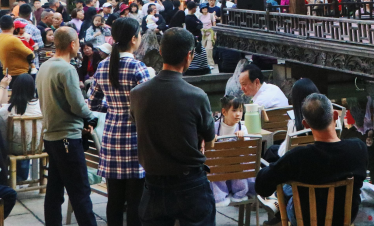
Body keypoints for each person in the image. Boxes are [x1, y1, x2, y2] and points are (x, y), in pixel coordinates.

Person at [130, 28, 216, 226]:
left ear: (161, 52)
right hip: (190, 183)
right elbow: (210, 141)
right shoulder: (197, 96)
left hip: (153, 183)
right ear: (189, 56)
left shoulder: (138, 94)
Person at [255, 94, 368, 226]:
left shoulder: (297, 157)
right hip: (343, 218)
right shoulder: (358, 148)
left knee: (288, 187)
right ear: (335, 116)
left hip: (306, 220)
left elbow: (261, 187)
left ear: (306, 124)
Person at [89, 17, 150, 226]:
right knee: (135, 201)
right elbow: (148, 106)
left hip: (111, 138)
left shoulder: (102, 66)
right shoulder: (138, 67)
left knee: (114, 200)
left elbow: (93, 103)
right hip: (134, 139)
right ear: (133, 39)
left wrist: (114, 108)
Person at [37, 27, 98, 226]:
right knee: (80, 192)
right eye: (78, 42)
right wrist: (91, 117)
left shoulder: (44, 66)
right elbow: (77, 105)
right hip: (67, 137)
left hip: (51, 136)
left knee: (54, 191)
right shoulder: (67, 69)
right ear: (72, 44)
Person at [0, 74, 41, 184]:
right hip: (38, 146)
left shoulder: (5, 111)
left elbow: (2, 138)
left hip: (14, 148)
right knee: (26, 140)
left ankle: (5, 178)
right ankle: (22, 176)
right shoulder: (41, 106)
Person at [212, 96, 252, 207]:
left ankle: (240, 192)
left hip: (236, 164)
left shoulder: (242, 128)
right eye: (234, 110)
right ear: (224, 112)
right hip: (220, 163)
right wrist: (212, 139)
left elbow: (248, 149)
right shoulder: (215, 127)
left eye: (240, 110)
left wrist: (243, 138)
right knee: (215, 169)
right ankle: (219, 196)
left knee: (240, 167)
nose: (238, 114)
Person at [0, 15, 35, 83]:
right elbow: (30, 54)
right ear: (13, 25)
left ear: (0, 26)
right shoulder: (13, 40)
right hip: (19, 74)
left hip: (7, 73)